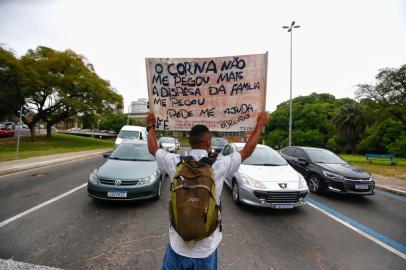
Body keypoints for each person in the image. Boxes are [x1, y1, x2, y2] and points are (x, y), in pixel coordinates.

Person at [146, 112, 268, 270]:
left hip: (178, 245)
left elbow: (153, 148)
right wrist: (259, 124)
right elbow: (246, 151)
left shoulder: (175, 162)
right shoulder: (219, 164)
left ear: (189, 142)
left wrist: (150, 125)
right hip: (206, 248)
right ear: (209, 143)